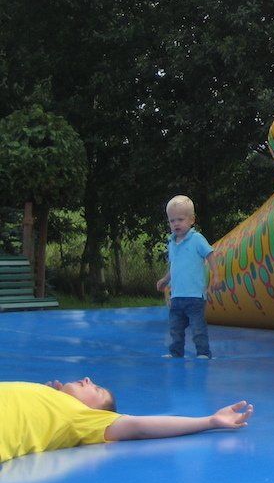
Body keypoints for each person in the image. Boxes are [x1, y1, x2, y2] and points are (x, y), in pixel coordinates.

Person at [0, 378, 252, 462]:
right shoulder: (55, 399)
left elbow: (138, 426)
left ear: (98, 413)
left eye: (96, 389)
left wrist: (209, 421)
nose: (88, 379)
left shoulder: (84, 417)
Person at [155, 195, 216, 359]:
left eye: (180, 220)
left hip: (195, 296)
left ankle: (203, 352)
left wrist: (216, 275)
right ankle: (176, 352)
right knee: (175, 328)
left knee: (197, 328)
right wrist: (165, 280)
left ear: (192, 220)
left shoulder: (197, 239)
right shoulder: (172, 243)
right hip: (177, 296)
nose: (176, 224)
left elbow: (210, 254)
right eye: (172, 220)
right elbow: (175, 266)